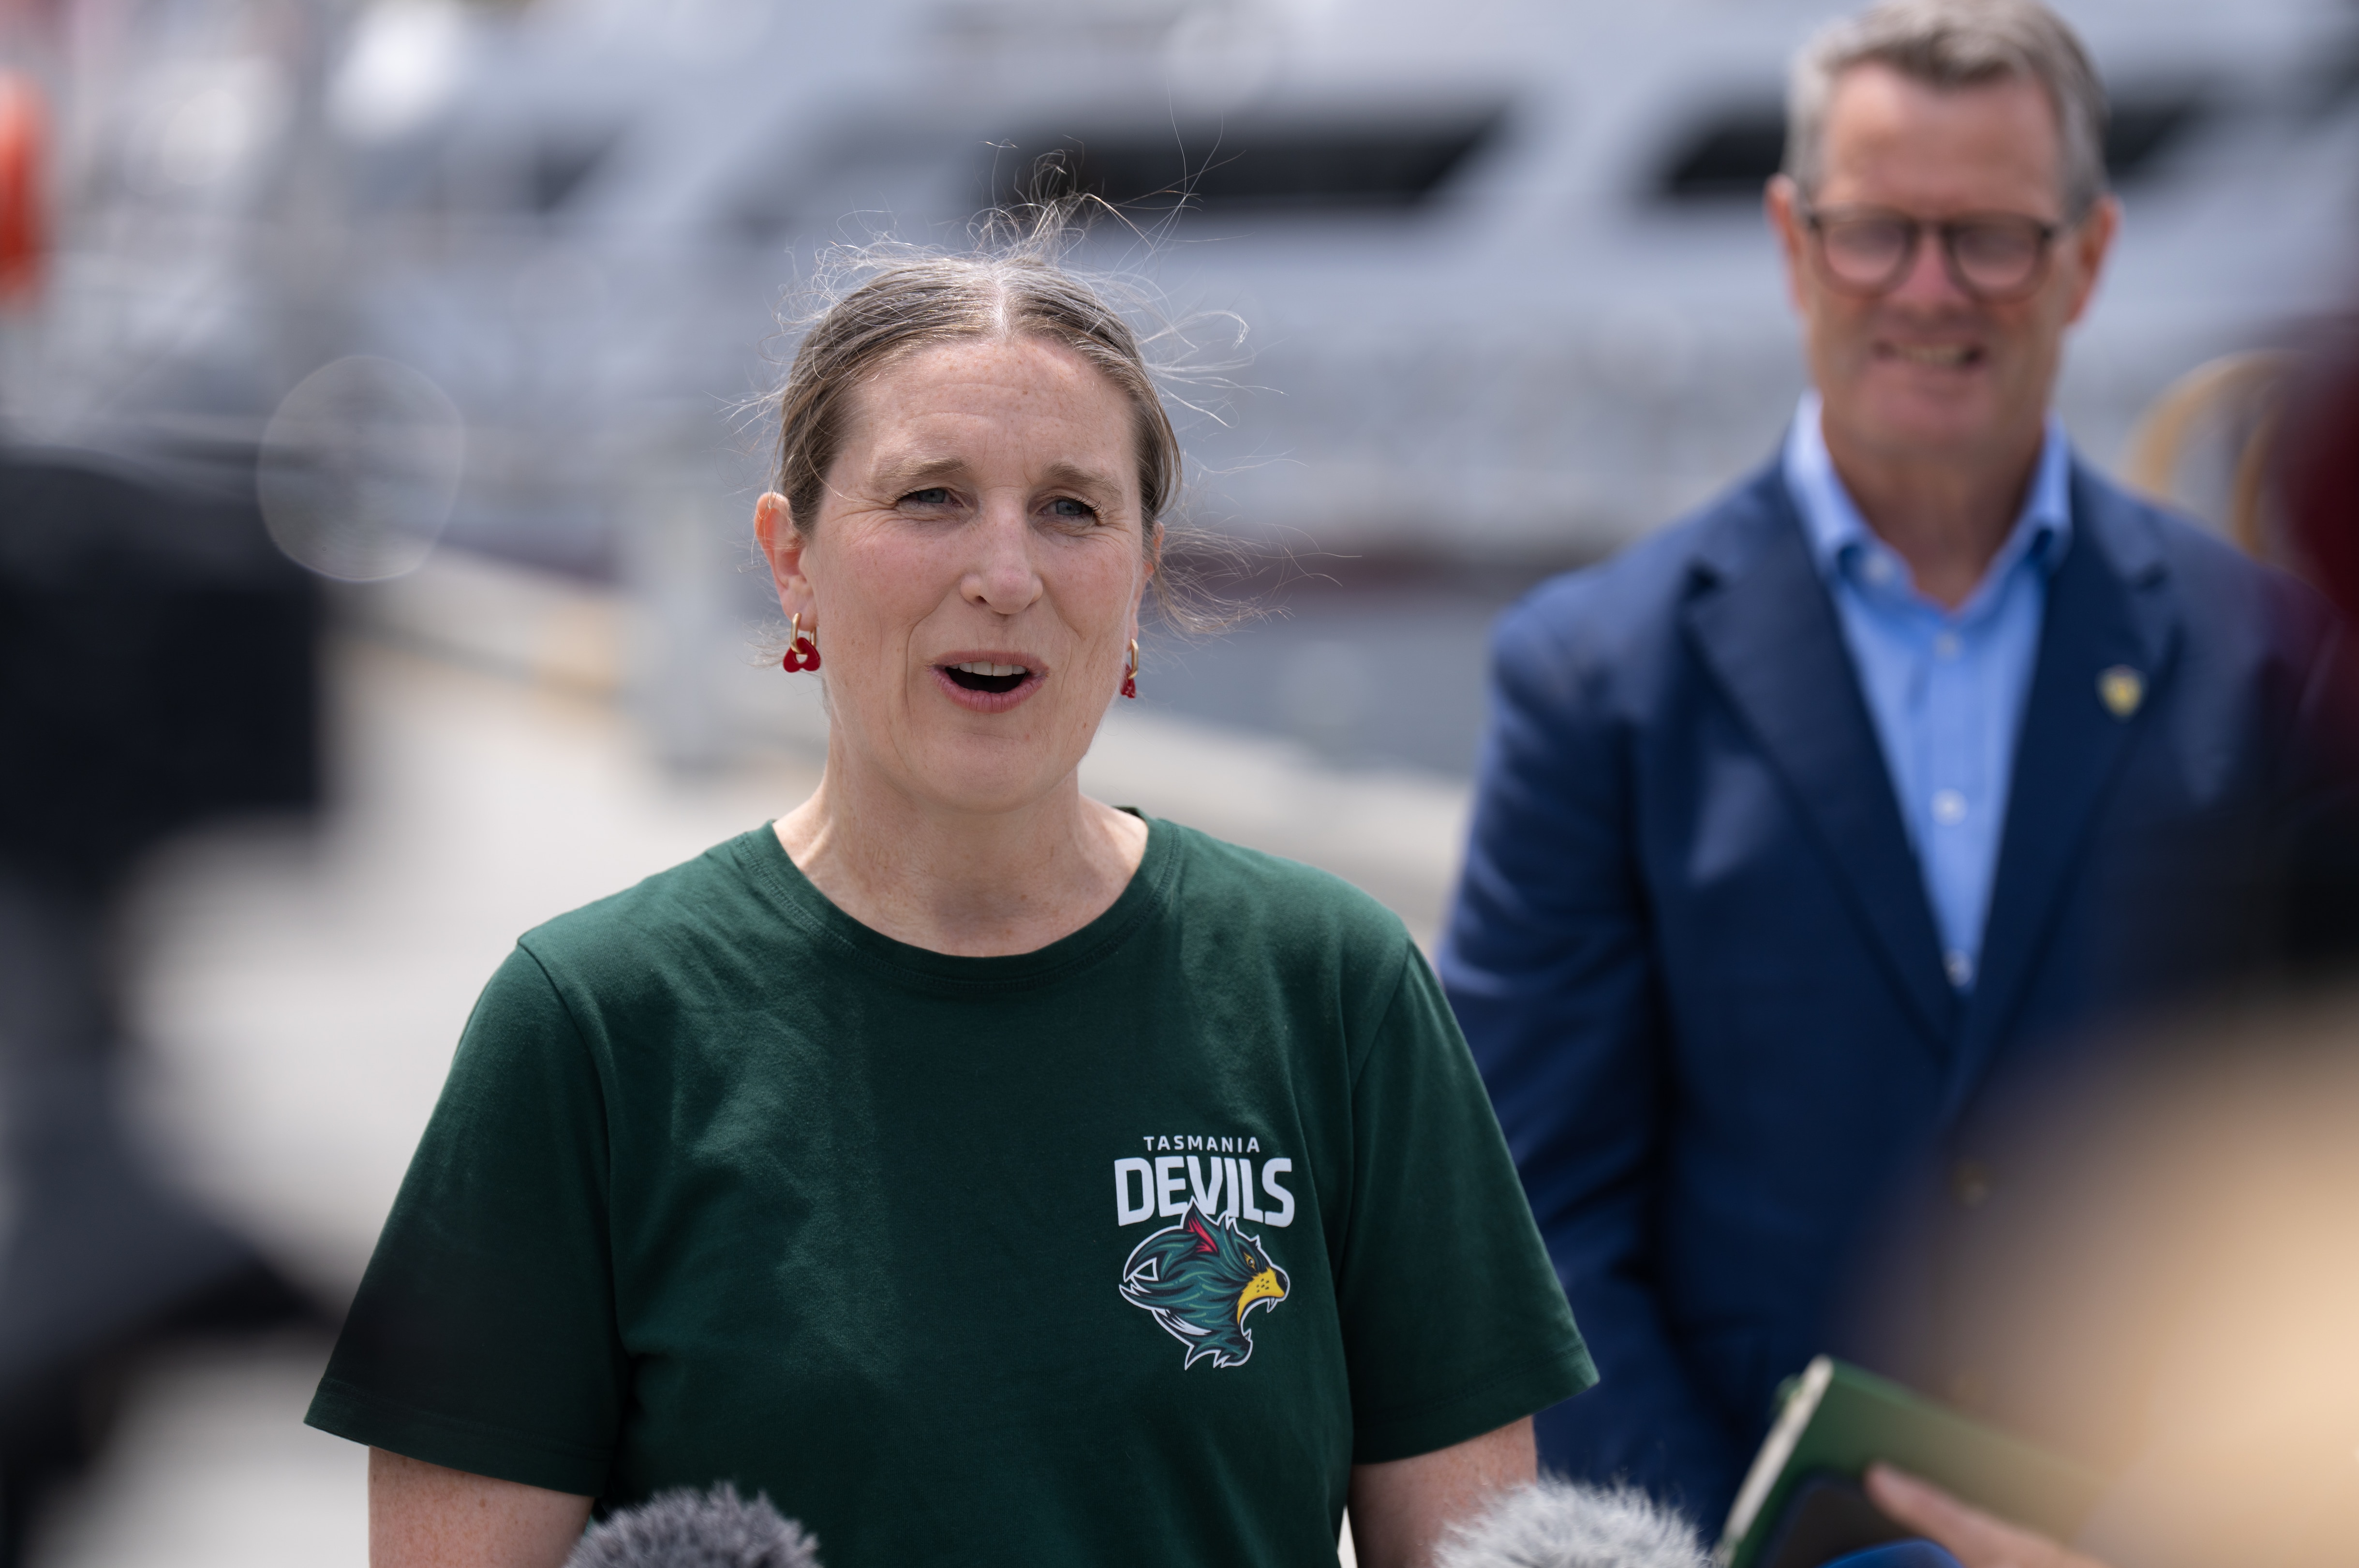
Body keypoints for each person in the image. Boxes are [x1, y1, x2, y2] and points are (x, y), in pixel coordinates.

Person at [304, 234, 1598, 1568]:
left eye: (1073, 510)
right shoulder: (591, 1029)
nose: (1006, 574)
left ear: (1144, 573)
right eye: (929, 498)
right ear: (790, 557)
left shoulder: (1333, 987)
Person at [1437, 0, 2359, 1550]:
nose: (1931, 288)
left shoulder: (2276, 658)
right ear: (1793, 242)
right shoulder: (1596, 675)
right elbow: (1536, 1212)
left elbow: (2345, 1151)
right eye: (1878, 228)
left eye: (1994, 236)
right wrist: (1738, 1545)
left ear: (2085, 256)